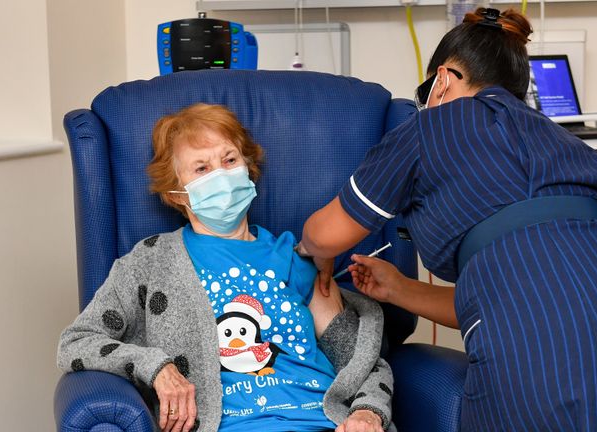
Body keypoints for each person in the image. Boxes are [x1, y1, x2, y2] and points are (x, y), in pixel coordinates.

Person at [299, 7, 597, 431]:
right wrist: (399, 288)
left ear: (442, 81)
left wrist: (311, 253)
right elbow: (516, 290)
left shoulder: (428, 128)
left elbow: (325, 236)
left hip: (540, 344)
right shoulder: (558, 136)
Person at [57, 104, 395, 432]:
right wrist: (156, 368)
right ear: (178, 193)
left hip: (323, 422)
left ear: (248, 167)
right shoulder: (150, 262)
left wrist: (367, 413)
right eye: (201, 169)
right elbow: (76, 342)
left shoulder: (295, 259)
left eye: (230, 160)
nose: (220, 175)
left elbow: (361, 359)